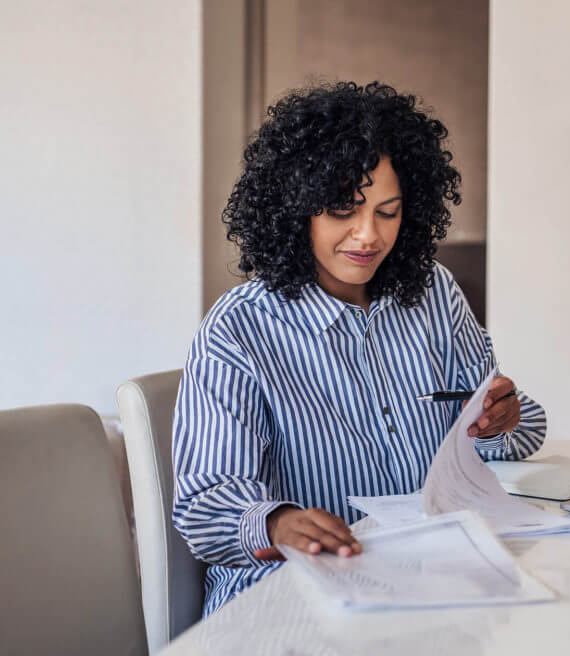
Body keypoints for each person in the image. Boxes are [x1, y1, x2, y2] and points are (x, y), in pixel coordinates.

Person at [172, 81, 547, 615]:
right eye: (343, 210)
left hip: (432, 584)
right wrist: (277, 523)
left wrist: (502, 420)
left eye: (387, 212)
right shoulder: (240, 329)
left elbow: (500, 438)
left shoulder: (435, 294)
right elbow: (206, 504)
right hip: (289, 601)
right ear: (295, 208)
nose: (367, 235)